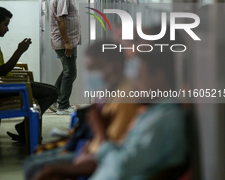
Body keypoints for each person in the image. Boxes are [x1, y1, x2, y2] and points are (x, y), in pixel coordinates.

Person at [32, 44, 189, 180]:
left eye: (140, 77)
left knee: (38, 168)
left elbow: (121, 165)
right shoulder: (151, 112)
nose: (135, 85)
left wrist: (100, 132)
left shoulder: (163, 120)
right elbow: (122, 152)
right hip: (100, 167)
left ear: (159, 77)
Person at [23, 41, 138, 180]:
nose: (90, 74)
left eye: (95, 68)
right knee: (33, 160)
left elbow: (110, 146)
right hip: (89, 149)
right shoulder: (110, 90)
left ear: (115, 67)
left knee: (34, 166)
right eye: (88, 68)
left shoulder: (124, 97)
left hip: (96, 157)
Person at [0, 6, 58, 142]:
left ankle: (25, 127)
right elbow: (2, 70)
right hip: (5, 89)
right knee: (53, 93)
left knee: (52, 90)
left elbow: (0, 70)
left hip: (7, 86)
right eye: (5, 24)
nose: (7, 29)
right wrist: (19, 51)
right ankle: (25, 127)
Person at [50, 0, 81, 115]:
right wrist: (67, 42)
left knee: (67, 72)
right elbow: (60, 19)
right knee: (70, 73)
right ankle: (62, 106)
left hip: (67, 41)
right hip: (65, 42)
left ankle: (54, 100)